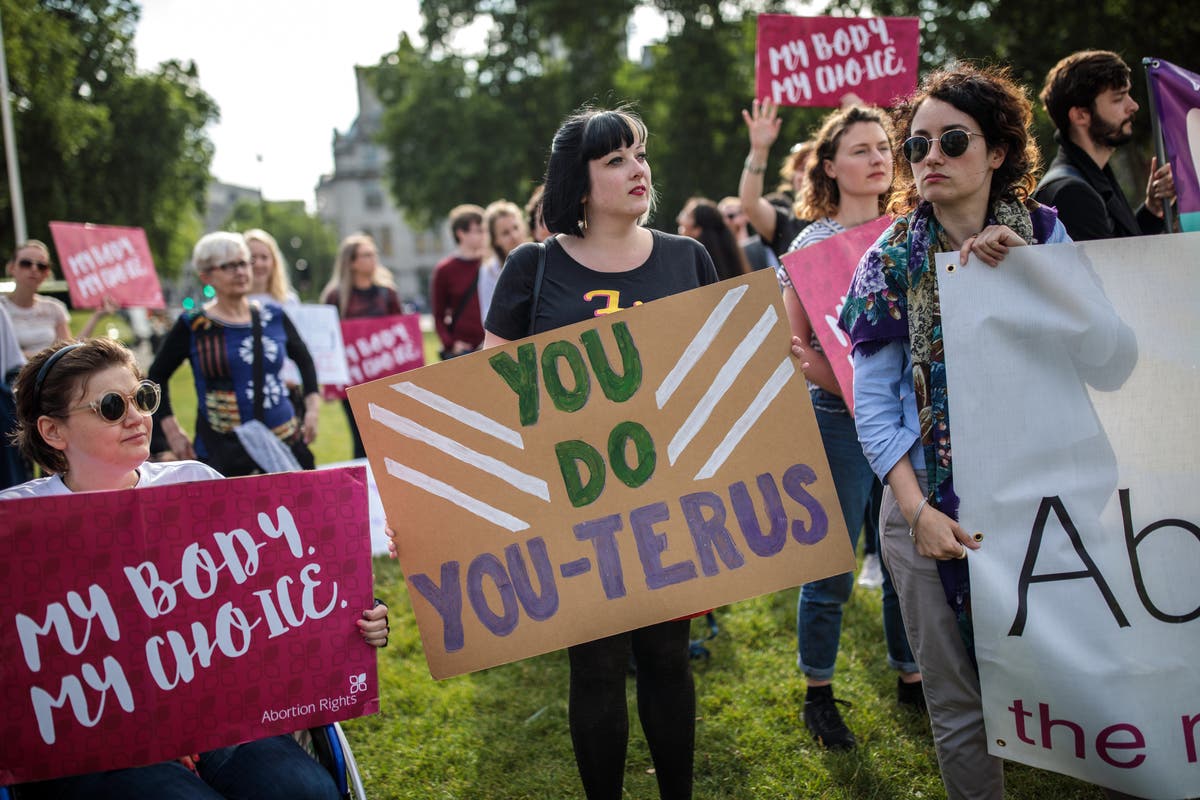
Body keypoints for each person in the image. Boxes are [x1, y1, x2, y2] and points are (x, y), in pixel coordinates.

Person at [2, 337, 389, 800]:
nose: (136, 417)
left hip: (218, 722)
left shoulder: (195, 483)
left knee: (306, 792)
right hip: (97, 745)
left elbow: (275, 595)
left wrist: (354, 616)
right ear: (53, 431)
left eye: (142, 397)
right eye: (110, 406)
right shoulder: (17, 527)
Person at [839, 65, 1070, 799]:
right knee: (959, 705)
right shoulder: (889, 262)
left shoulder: (1051, 235)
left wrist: (1032, 275)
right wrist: (916, 513)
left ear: (998, 151)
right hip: (927, 509)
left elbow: (1104, 353)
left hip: (1044, 493)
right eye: (916, 146)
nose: (929, 157)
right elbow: (872, 407)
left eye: (953, 140)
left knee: (1084, 671)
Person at [483, 106, 717, 800]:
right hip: (573, 502)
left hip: (668, 492)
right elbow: (489, 390)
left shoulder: (688, 258)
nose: (637, 168)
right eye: (615, 159)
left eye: (639, 153)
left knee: (670, 657)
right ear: (578, 184)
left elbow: (713, 374)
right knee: (595, 664)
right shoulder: (534, 265)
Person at [780, 105, 922, 750]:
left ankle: (913, 676)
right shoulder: (811, 249)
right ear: (830, 167)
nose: (879, 159)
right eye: (861, 149)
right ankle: (818, 692)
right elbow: (798, 349)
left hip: (909, 419)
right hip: (839, 423)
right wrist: (841, 385)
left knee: (904, 556)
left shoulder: (913, 232)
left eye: (885, 148)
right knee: (833, 565)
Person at [150, 232, 319, 476]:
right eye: (228, 266)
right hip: (224, 452)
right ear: (206, 276)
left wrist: (312, 409)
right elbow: (156, 375)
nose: (240, 272)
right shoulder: (195, 325)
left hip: (284, 443)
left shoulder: (274, 315)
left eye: (242, 263)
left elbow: (305, 361)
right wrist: (171, 430)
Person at [1034, 50, 1175, 240]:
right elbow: (1119, 268)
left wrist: (1152, 209)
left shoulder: (1090, 174)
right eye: (1118, 98)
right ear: (1080, 115)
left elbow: (1121, 248)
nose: (1133, 106)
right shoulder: (1072, 193)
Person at [321, 233, 402, 459]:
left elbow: (400, 334)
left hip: (384, 378)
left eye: (373, 254)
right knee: (361, 439)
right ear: (352, 262)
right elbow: (327, 341)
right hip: (352, 380)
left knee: (390, 436)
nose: (373, 259)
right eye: (366, 255)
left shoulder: (387, 293)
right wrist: (329, 382)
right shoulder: (335, 296)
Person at [2, 239, 115, 357]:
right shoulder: (2, 307)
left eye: (41, 266)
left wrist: (96, 316)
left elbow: (69, 351)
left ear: (47, 273)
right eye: (26, 263)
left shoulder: (54, 308)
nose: (34, 269)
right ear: (11, 268)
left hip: (46, 372)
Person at [739, 99, 814, 258]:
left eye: (814, 168)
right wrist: (759, 151)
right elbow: (750, 204)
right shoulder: (785, 223)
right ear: (792, 178)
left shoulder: (849, 216)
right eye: (801, 169)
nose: (807, 175)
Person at [431, 203, 487, 360]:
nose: (484, 235)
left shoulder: (492, 264)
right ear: (461, 233)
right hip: (463, 352)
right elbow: (438, 315)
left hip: (492, 345)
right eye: (479, 231)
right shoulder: (444, 269)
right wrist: (451, 344)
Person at [478, 200, 531, 320]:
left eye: (516, 227)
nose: (514, 235)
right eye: (505, 233)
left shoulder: (541, 257)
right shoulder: (490, 271)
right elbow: (487, 316)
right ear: (495, 239)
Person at [676, 197, 750, 281]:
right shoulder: (735, 259)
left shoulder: (692, 271)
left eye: (686, 215)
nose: (679, 219)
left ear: (697, 230)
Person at [717, 195, 775, 271]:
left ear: (745, 215)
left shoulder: (761, 245)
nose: (726, 222)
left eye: (730, 216)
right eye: (721, 218)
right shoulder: (723, 255)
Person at [245, 227, 300, 306]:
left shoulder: (289, 301)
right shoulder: (229, 302)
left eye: (264, 257)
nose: (258, 264)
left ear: (274, 262)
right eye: (252, 258)